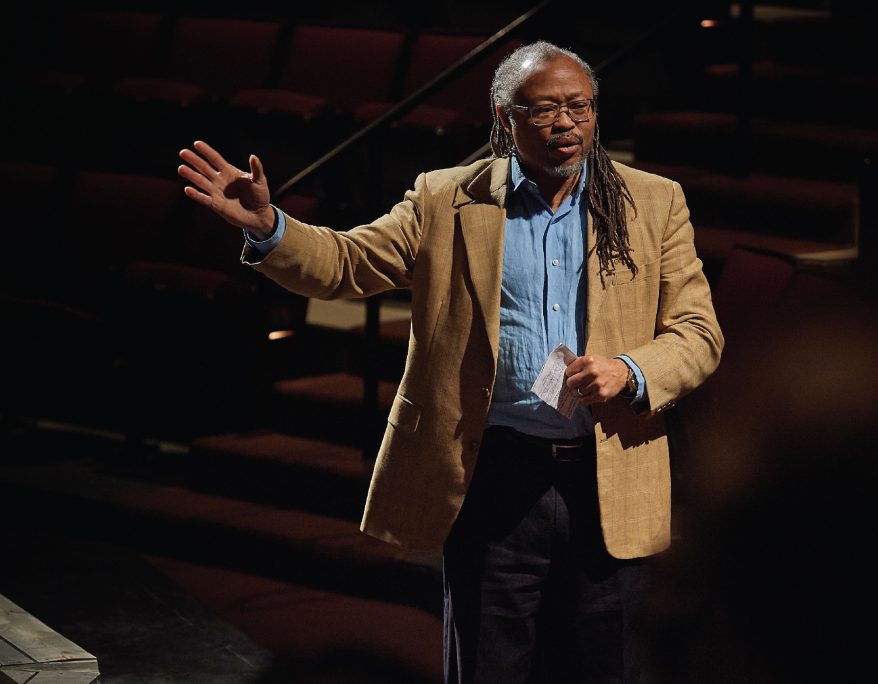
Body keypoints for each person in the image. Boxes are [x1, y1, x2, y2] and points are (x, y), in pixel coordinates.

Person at [178, 40, 723, 683]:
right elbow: (348, 264)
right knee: (487, 664)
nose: (565, 123)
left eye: (580, 106)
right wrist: (271, 225)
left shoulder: (653, 202)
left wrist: (630, 371)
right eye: (544, 109)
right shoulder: (446, 199)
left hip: (609, 478)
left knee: (611, 667)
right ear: (504, 117)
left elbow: (698, 333)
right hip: (494, 475)